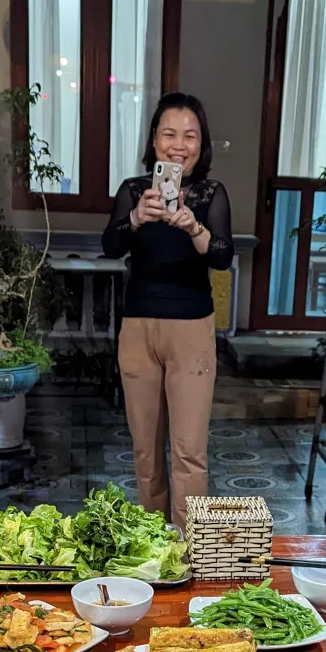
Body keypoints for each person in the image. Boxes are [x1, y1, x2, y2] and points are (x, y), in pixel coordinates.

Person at [102, 92, 234, 532]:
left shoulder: (212, 194)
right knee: (145, 449)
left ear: (202, 143)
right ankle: (155, 544)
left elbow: (221, 256)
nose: (179, 144)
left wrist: (193, 226)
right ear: (155, 140)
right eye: (170, 133)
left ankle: (190, 549)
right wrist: (137, 218)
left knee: (189, 450)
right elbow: (111, 245)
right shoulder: (133, 191)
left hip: (192, 331)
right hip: (138, 330)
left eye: (190, 135)